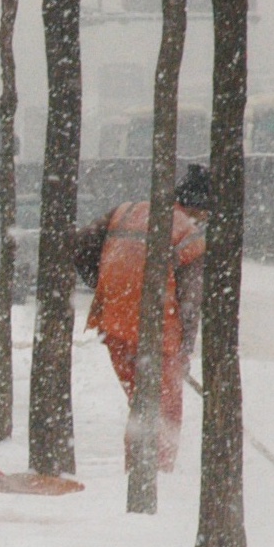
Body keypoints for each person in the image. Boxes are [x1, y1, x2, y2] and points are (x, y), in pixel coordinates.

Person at [73, 164, 209, 473]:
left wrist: (107, 286)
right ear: (199, 207)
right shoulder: (188, 232)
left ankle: (137, 470)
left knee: (140, 401)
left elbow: (80, 247)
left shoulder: (125, 211)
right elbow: (190, 302)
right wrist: (185, 350)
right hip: (160, 333)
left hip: (114, 325)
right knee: (164, 412)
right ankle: (155, 476)